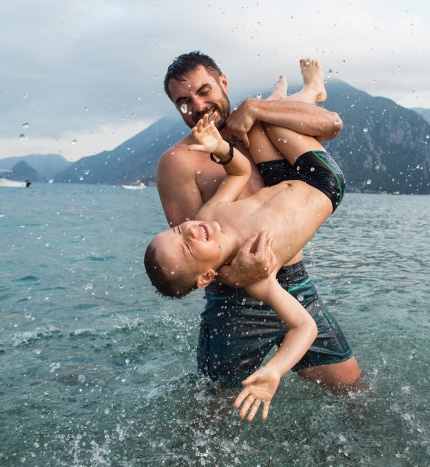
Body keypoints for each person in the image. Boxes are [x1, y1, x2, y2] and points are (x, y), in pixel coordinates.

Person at [155, 52, 362, 416]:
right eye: (184, 102)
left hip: (294, 284)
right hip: (236, 302)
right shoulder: (179, 162)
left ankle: (301, 92)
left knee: (353, 391)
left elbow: (331, 125)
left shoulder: (256, 125)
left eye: (204, 91)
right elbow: (195, 258)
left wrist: (260, 108)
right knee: (212, 415)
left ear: (224, 83)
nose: (197, 106)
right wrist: (243, 276)